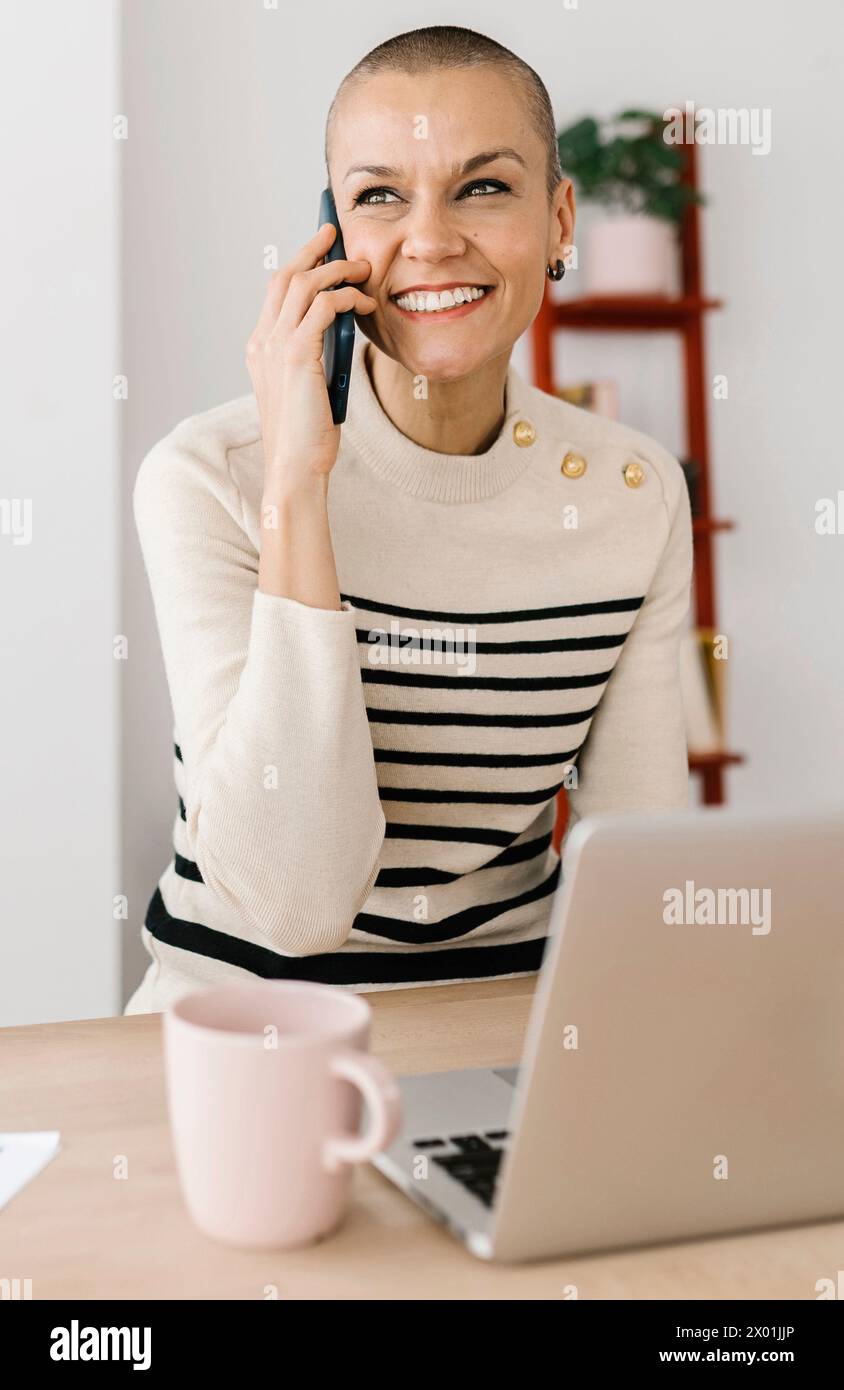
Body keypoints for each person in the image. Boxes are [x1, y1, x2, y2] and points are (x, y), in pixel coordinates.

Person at [124, 24, 692, 1014]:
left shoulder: (631, 491)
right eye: (380, 194)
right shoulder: (210, 478)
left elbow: (634, 881)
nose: (428, 240)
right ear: (332, 234)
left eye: (482, 186)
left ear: (560, 220)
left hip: (514, 1045)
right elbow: (294, 907)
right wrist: (298, 486)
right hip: (241, 1042)